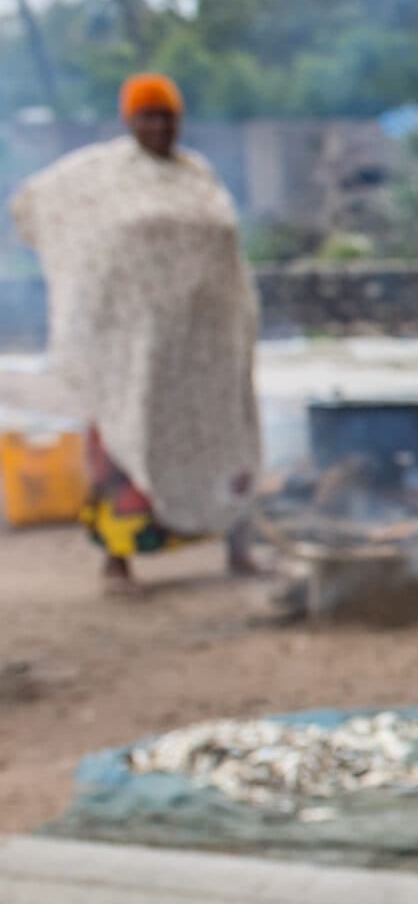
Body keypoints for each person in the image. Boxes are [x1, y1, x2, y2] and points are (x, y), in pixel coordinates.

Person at [9, 73, 261, 597]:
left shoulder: (196, 175)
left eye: (167, 115)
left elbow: (224, 254)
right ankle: (116, 563)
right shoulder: (102, 176)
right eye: (148, 115)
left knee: (226, 437)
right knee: (126, 442)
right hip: (133, 350)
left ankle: (239, 549)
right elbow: (39, 206)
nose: (159, 126)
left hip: (204, 347)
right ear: (129, 121)